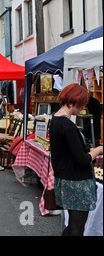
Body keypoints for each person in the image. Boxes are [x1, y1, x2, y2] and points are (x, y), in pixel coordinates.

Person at [49, 83, 103, 236]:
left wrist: (87, 151)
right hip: (76, 182)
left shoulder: (56, 120)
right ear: (75, 101)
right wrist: (98, 150)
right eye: (82, 104)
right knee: (77, 228)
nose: (83, 107)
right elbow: (82, 159)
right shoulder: (68, 126)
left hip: (65, 179)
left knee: (73, 225)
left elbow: (69, 152)